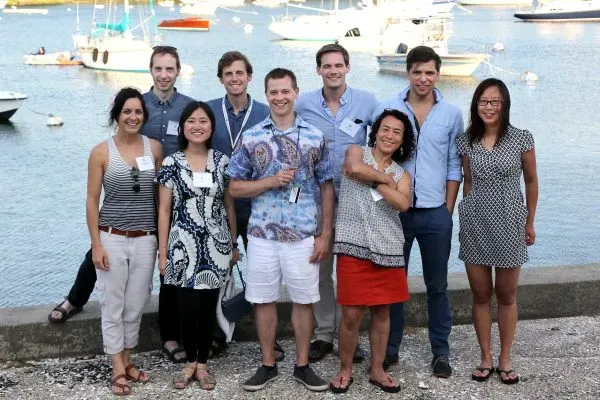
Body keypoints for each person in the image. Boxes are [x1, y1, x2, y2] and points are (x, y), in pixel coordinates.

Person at [47, 45, 194, 365]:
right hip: (131, 191)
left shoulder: (188, 107)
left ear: (178, 71)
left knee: (167, 265)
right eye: (159, 69)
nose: (164, 75)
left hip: (170, 199)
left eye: (170, 69)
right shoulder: (138, 104)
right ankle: (75, 299)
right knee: (98, 251)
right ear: (151, 70)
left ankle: (170, 336)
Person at [227, 68, 334, 392]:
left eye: (285, 91)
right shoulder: (252, 136)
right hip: (262, 235)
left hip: (303, 235)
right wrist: (270, 182)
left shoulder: (315, 136)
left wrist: (325, 233)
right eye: (273, 92)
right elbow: (233, 187)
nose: (280, 97)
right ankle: (268, 364)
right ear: (267, 94)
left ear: (296, 92)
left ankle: (302, 366)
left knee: (304, 301)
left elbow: (327, 186)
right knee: (263, 300)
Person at [373, 46, 463, 378]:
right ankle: (390, 348)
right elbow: (378, 155)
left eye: (429, 72)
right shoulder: (390, 108)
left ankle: (441, 351)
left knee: (437, 284)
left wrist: (447, 210)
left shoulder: (451, 114)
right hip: (396, 212)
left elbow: (455, 165)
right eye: (417, 72)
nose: (423, 79)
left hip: (435, 213)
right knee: (394, 282)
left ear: (437, 74)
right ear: (407, 72)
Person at [295, 43, 378, 364]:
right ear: (318, 70)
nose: (332, 71)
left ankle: (349, 333)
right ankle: (324, 333)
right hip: (316, 200)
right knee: (320, 267)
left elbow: (385, 136)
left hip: (355, 199)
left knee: (350, 270)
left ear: (347, 67)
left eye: (338, 65)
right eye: (326, 66)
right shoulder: (304, 104)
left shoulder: (366, 101)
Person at [457, 78, 538, 385]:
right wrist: (463, 213)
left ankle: (505, 359)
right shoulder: (466, 140)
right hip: (475, 222)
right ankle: (485, 358)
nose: (488, 107)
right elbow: (467, 179)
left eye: (495, 102)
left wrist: (529, 221)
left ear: (504, 106)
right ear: (475, 105)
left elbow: (531, 181)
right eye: (483, 101)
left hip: (510, 221)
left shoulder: (521, 138)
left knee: (505, 295)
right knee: (480, 294)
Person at [329, 109, 414, 394]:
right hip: (352, 246)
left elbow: (403, 204)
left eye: (397, 132)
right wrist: (386, 179)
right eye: (385, 129)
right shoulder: (357, 151)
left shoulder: (402, 174)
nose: (389, 135)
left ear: (403, 141)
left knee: (382, 312)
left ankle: (377, 369)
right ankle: (345, 369)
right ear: (375, 131)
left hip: (388, 248)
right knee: (351, 315)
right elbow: (352, 169)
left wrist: (378, 180)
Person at [156, 101, 239, 390]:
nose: (197, 125)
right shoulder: (171, 163)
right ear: (183, 127)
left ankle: (202, 365)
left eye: (203, 121)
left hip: (216, 246)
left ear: (211, 127)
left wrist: (233, 242)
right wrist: (163, 252)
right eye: (191, 121)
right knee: (187, 309)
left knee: (207, 309)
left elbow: (229, 206)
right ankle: (189, 361)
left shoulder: (222, 162)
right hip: (182, 246)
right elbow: (164, 210)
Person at [88, 87, 163, 396]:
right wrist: (96, 244)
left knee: (135, 304)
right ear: (117, 115)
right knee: (112, 303)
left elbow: (162, 201)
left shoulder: (155, 149)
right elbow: (92, 200)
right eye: (127, 112)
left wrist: (163, 243)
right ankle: (117, 366)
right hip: (112, 237)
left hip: (146, 239)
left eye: (138, 112)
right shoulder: (101, 152)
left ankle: (128, 360)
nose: (133, 117)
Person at [206, 51, 279, 359]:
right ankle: (216, 333)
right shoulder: (208, 111)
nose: (234, 79)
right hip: (218, 207)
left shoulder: (267, 112)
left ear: (249, 76)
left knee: (266, 274)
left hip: (259, 206)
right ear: (221, 79)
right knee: (214, 272)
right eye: (228, 74)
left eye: (239, 73)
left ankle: (267, 337)